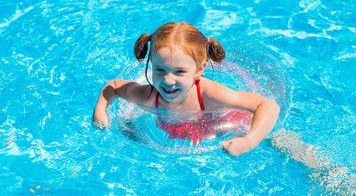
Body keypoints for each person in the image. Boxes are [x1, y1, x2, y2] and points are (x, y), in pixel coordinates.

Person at [93, 22, 280, 156]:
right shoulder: (149, 96)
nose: (168, 80)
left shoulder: (209, 94)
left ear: (200, 69)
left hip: (224, 125)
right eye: (160, 70)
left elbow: (268, 105)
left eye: (179, 72)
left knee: (280, 142)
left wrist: (249, 141)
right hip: (178, 131)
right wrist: (101, 110)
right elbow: (115, 86)